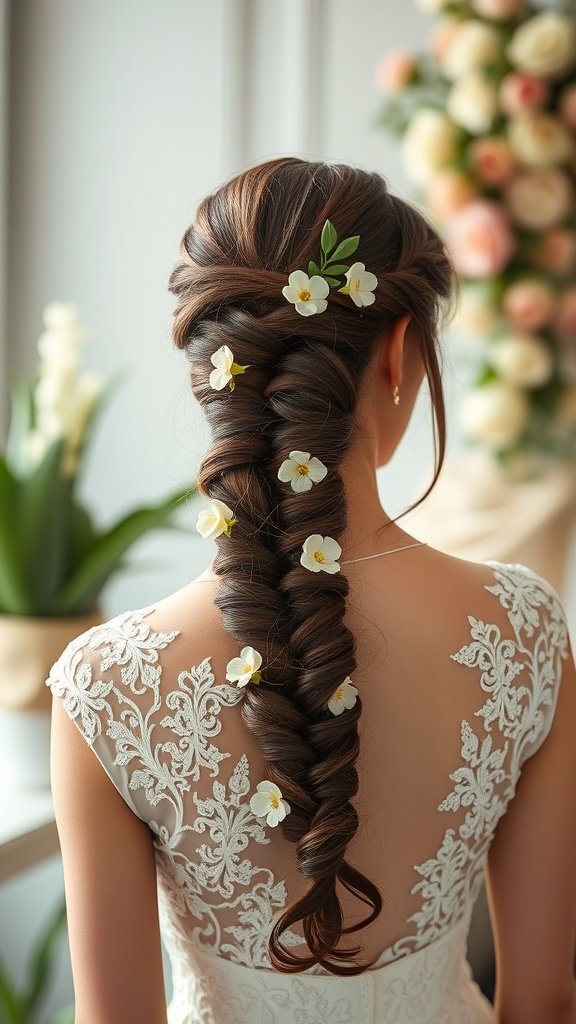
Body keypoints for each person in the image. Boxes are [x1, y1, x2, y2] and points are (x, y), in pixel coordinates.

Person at [47, 157, 576, 1024]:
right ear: (400, 352)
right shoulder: (523, 632)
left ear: (217, 369)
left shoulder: (105, 687)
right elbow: (546, 1003)